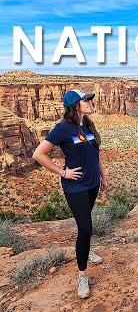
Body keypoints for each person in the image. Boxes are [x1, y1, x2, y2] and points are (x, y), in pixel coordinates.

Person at [32, 89, 108, 299]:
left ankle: (85, 250)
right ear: (76, 105)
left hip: (92, 184)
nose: (91, 102)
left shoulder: (88, 125)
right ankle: (82, 275)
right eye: (86, 100)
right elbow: (38, 154)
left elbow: (95, 153)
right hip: (75, 187)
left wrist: (103, 175)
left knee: (86, 225)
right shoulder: (63, 128)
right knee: (85, 228)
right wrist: (62, 172)